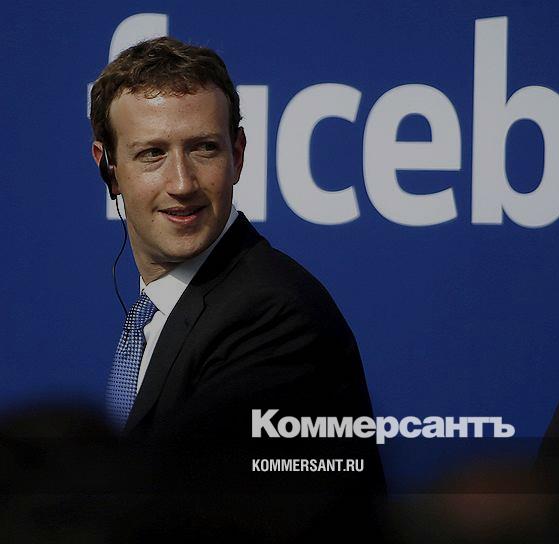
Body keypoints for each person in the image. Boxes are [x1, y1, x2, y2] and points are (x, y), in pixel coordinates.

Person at [88, 37, 384, 539]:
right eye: (152, 154)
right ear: (108, 168)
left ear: (238, 154)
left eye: (204, 148)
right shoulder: (161, 307)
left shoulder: (275, 317)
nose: (183, 182)